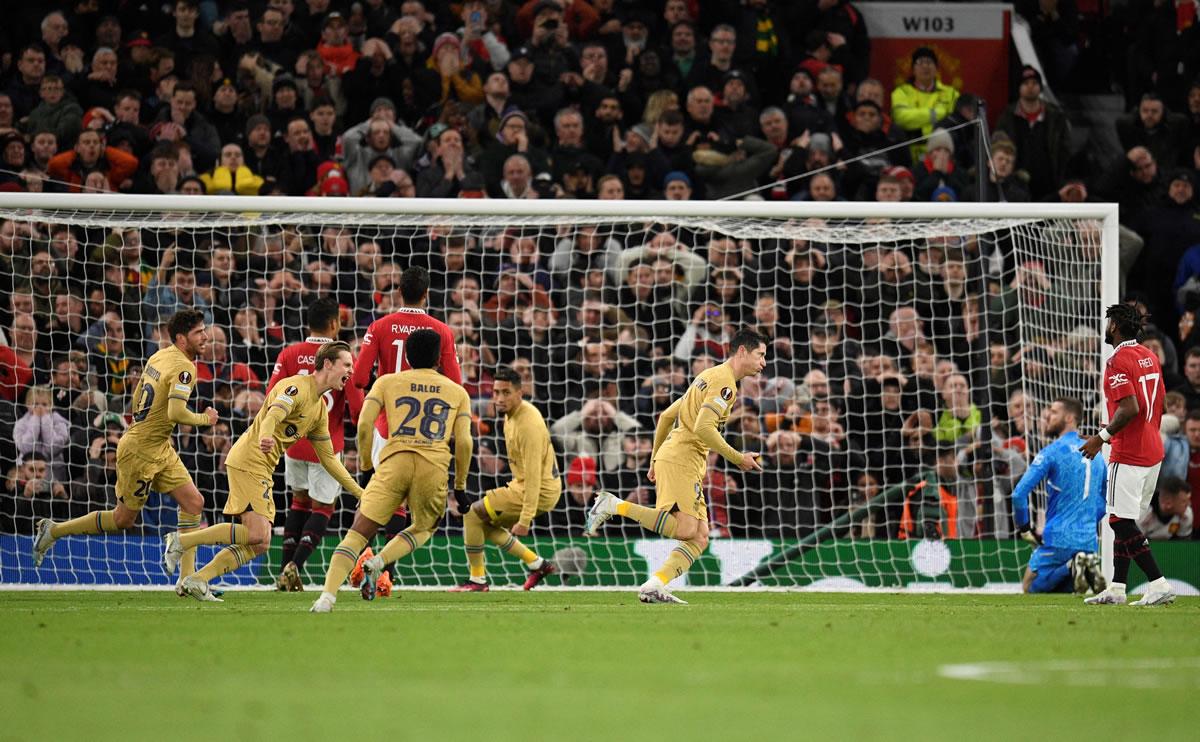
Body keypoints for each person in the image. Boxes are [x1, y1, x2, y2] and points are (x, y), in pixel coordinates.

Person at [32, 310, 218, 588]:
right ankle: (54, 530)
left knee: (194, 502)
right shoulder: (184, 368)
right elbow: (177, 411)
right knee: (122, 519)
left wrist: (147, 425)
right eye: (198, 332)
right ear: (181, 338)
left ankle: (188, 580)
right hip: (141, 452)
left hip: (158, 446)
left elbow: (136, 395)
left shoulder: (159, 356)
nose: (205, 337)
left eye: (204, 330)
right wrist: (206, 419)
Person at [168, 341, 364, 602]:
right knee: (258, 535)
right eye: (347, 364)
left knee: (259, 543)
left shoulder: (318, 409)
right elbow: (273, 414)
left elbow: (329, 459)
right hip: (249, 460)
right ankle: (182, 541)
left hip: (261, 466)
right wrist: (267, 435)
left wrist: (359, 492)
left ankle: (197, 579)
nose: (351, 370)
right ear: (328, 364)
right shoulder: (296, 387)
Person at [585, 328, 767, 604]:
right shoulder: (725, 385)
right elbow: (704, 427)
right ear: (742, 351)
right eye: (760, 355)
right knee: (685, 530)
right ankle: (612, 505)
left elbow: (667, 416)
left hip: (681, 459)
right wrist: (737, 457)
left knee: (700, 537)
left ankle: (654, 584)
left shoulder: (708, 376)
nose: (764, 362)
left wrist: (654, 459)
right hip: (683, 458)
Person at [312, 330, 472, 612]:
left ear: (407, 358)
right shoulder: (457, 392)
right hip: (432, 467)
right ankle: (380, 562)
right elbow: (465, 443)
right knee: (424, 526)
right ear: (439, 358)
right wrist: (459, 486)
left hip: (393, 462)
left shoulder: (387, 382)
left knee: (358, 533)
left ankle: (326, 597)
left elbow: (363, 425)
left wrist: (364, 469)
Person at [351, 266, 462, 581]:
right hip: (425, 431)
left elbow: (358, 379)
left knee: (377, 502)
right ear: (427, 294)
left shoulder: (379, 326)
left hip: (386, 429)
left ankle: (363, 565)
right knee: (412, 512)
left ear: (398, 292)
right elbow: (455, 383)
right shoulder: (442, 330)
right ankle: (386, 574)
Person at [1080, 304, 1175, 605]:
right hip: (1153, 450)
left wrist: (1101, 437)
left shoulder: (1117, 360)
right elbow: (1160, 406)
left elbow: (1130, 408)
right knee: (1125, 518)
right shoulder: (1150, 356)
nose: (1106, 326)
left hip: (1130, 453)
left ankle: (1158, 583)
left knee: (1119, 521)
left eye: (1109, 322)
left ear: (1115, 326)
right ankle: (1118, 588)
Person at [267, 298, 364, 592]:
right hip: (326, 445)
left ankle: (284, 572)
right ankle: (294, 567)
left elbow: (272, 396)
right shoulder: (342, 357)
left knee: (298, 502)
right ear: (334, 324)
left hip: (293, 444)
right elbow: (357, 408)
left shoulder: (289, 353)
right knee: (322, 508)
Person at [449, 366, 561, 592]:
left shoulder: (528, 425)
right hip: (527, 486)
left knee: (471, 514)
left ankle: (478, 580)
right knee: (482, 522)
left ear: (520, 393)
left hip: (539, 489)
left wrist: (525, 519)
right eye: (496, 392)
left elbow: (532, 477)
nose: (499, 398)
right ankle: (537, 564)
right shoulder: (511, 417)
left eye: (506, 393)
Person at [1011, 398, 1107, 594]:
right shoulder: (1098, 456)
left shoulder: (1052, 451)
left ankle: (1071, 565)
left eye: (1054, 412)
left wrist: (1024, 528)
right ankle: (1078, 565)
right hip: (1088, 539)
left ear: (1070, 418)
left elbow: (1019, 494)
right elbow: (1104, 502)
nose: (1047, 415)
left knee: (1029, 586)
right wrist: (1086, 521)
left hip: (1058, 537)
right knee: (1065, 590)